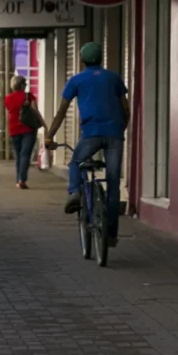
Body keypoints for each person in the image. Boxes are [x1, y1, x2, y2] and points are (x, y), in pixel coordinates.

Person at [45, 42, 130, 247]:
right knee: (113, 183)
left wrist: (49, 136)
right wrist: (120, 129)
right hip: (114, 135)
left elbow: (61, 112)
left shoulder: (76, 80)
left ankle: (74, 192)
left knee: (75, 163)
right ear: (102, 58)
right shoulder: (114, 78)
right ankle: (110, 233)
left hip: (91, 134)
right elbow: (126, 110)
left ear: (81, 60)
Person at [4, 76, 46, 189]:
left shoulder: (7, 98)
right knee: (25, 155)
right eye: (25, 84)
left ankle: (19, 179)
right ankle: (22, 180)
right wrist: (44, 125)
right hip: (28, 129)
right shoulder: (29, 96)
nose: (26, 86)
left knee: (19, 155)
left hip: (13, 129)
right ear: (22, 85)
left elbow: (9, 113)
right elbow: (35, 111)